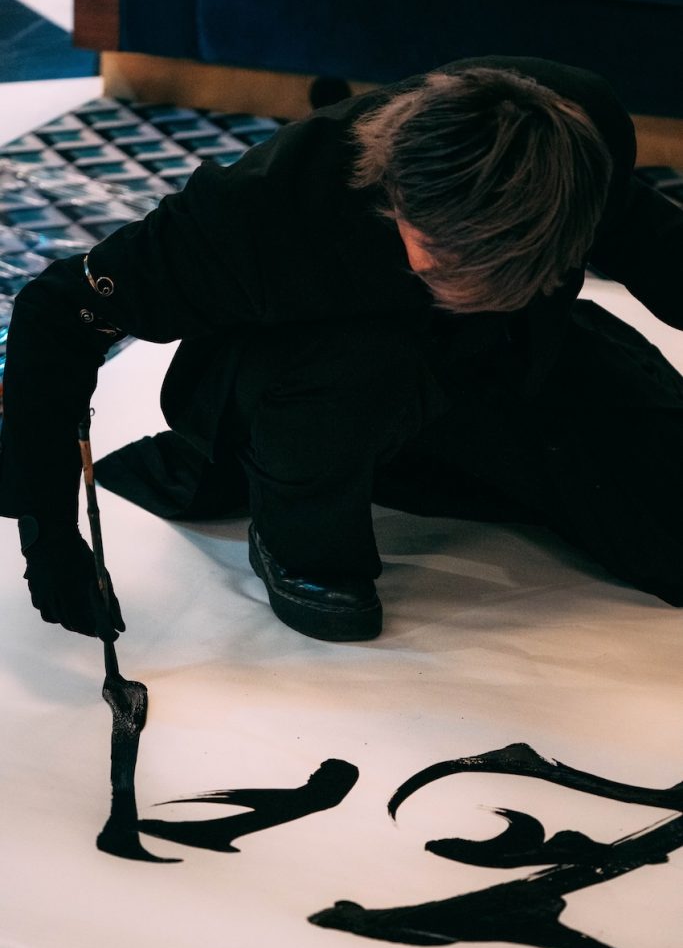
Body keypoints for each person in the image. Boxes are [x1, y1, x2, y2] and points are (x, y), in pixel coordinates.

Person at [1, 55, 682, 643]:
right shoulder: (262, 211)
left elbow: (662, 254)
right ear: (395, 196)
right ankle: (294, 538)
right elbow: (57, 311)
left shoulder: (577, 143)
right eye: (439, 262)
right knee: (359, 372)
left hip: (494, 350)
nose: (457, 284)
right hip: (312, 387)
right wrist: (49, 535)